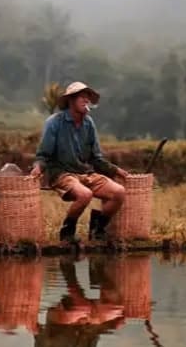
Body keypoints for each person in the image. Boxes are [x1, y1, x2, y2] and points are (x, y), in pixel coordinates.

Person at [30, 81, 131, 242]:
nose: (86, 101)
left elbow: (96, 159)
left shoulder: (88, 123)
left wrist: (117, 171)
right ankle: (67, 232)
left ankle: (97, 228)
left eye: (87, 98)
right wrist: (38, 168)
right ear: (71, 100)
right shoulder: (54, 122)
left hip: (85, 173)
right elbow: (43, 155)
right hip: (62, 174)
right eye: (81, 97)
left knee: (118, 192)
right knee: (85, 195)